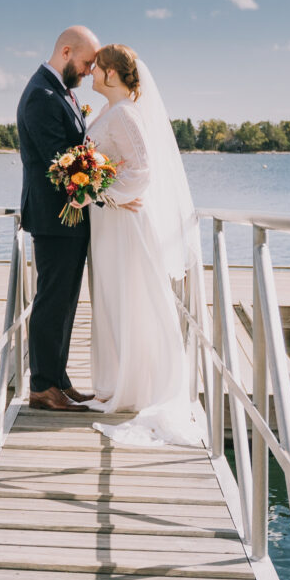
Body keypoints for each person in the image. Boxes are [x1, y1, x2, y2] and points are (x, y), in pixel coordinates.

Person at [80, 44, 205, 446]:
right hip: (108, 222)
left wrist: (102, 194)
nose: (92, 73)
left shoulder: (124, 115)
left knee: (129, 296)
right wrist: (93, 190)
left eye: (97, 68)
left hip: (123, 223)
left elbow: (143, 171)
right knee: (112, 297)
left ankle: (134, 388)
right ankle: (114, 382)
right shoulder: (108, 112)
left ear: (113, 75)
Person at [15, 25, 99, 412]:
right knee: (52, 301)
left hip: (68, 218)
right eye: (84, 64)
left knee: (65, 301)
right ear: (66, 51)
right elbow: (57, 160)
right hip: (54, 218)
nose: (86, 73)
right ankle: (42, 386)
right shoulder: (40, 95)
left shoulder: (58, 91)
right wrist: (96, 175)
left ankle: (59, 379)